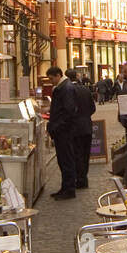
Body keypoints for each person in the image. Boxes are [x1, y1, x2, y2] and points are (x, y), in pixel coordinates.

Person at [46, 65, 77, 199]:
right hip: (62, 131)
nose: (51, 81)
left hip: (64, 132)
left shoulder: (66, 88)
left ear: (58, 75)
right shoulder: (62, 87)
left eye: (52, 78)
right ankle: (65, 187)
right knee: (63, 160)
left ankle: (69, 190)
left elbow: (68, 111)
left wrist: (57, 126)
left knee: (66, 160)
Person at [72, 72, 96, 190]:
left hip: (75, 127)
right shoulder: (86, 90)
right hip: (87, 126)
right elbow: (93, 108)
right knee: (86, 154)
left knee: (77, 154)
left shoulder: (69, 91)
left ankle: (81, 180)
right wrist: (86, 116)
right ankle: (84, 177)